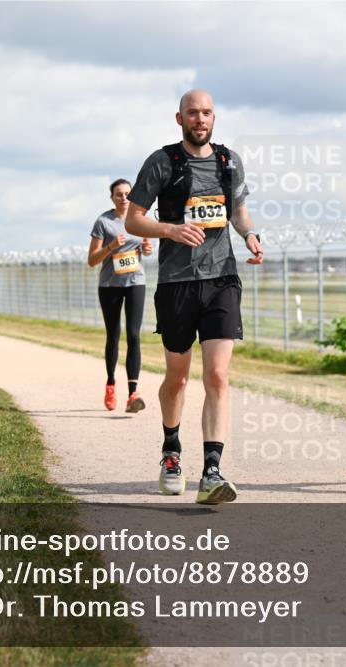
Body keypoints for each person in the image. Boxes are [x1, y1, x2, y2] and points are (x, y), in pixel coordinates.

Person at [125, 89, 264, 504]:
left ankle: (212, 472)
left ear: (214, 118)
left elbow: (237, 211)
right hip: (177, 282)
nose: (199, 120)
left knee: (218, 376)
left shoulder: (229, 161)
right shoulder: (162, 162)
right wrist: (170, 230)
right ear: (179, 118)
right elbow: (134, 218)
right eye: (192, 113)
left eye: (206, 113)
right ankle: (171, 450)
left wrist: (251, 236)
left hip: (222, 277)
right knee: (179, 377)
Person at [88, 178, 153, 413]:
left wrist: (147, 249)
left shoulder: (140, 218)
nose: (124, 197)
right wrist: (111, 246)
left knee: (134, 335)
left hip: (136, 281)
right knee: (113, 336)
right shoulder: (103, 222)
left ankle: (133, 393)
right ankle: (111, 383)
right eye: (119, 194)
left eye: (127, 193)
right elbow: (92, 260)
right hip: (109, 286)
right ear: (112, 197)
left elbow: (145, 247)